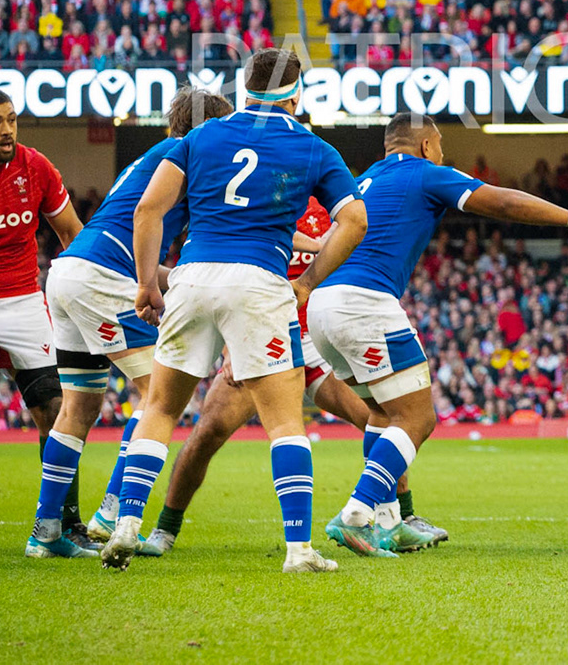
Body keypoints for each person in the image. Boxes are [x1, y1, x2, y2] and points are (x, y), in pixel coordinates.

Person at [315, 113, 568, 558]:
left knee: (382, 415)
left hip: (322, 305)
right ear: (426, 145)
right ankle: (356, 514)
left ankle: (390, 522)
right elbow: (501, 203)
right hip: (364, 302)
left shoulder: (362, 181)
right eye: (441, 142)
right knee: (418, 418)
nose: (443, 151)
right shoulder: (426, 172)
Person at [103, 48, 367, 573]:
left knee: (159, 408)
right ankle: (299, 551)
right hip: (259, 283)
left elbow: (148, 209)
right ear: (295, 95)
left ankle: (127, 524)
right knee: (284, 422)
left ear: (244, 89)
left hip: (194, 275)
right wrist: (308, 281)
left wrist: (145, 285)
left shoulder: (201, 135)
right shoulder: (312, 147)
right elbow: (354, 220)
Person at [124, 198, 410, 559]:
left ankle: (394, 520)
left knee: (378, 419)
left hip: (310, 342)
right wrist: (231, 347)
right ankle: (165, 529)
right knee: (208, 432)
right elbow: (224, 282)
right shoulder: (253, 202)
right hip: (256, 339)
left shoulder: (335, 211)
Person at [40, 87, 232, 556]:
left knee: (78, 408)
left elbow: (145, 251)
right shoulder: (185, 155)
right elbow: (144, 236)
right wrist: (151, 284)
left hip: (70, 271)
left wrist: (166, 280)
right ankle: (112, 511)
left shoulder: (155, 154)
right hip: (104, 278)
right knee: (159, 395)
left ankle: (46, 533)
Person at [0, 87, 87, 556]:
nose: (8, 129)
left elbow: (72, 233)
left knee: (57, 413)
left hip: (22, 302)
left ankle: (59, 527)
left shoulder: (35, 167)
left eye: (12, 119)